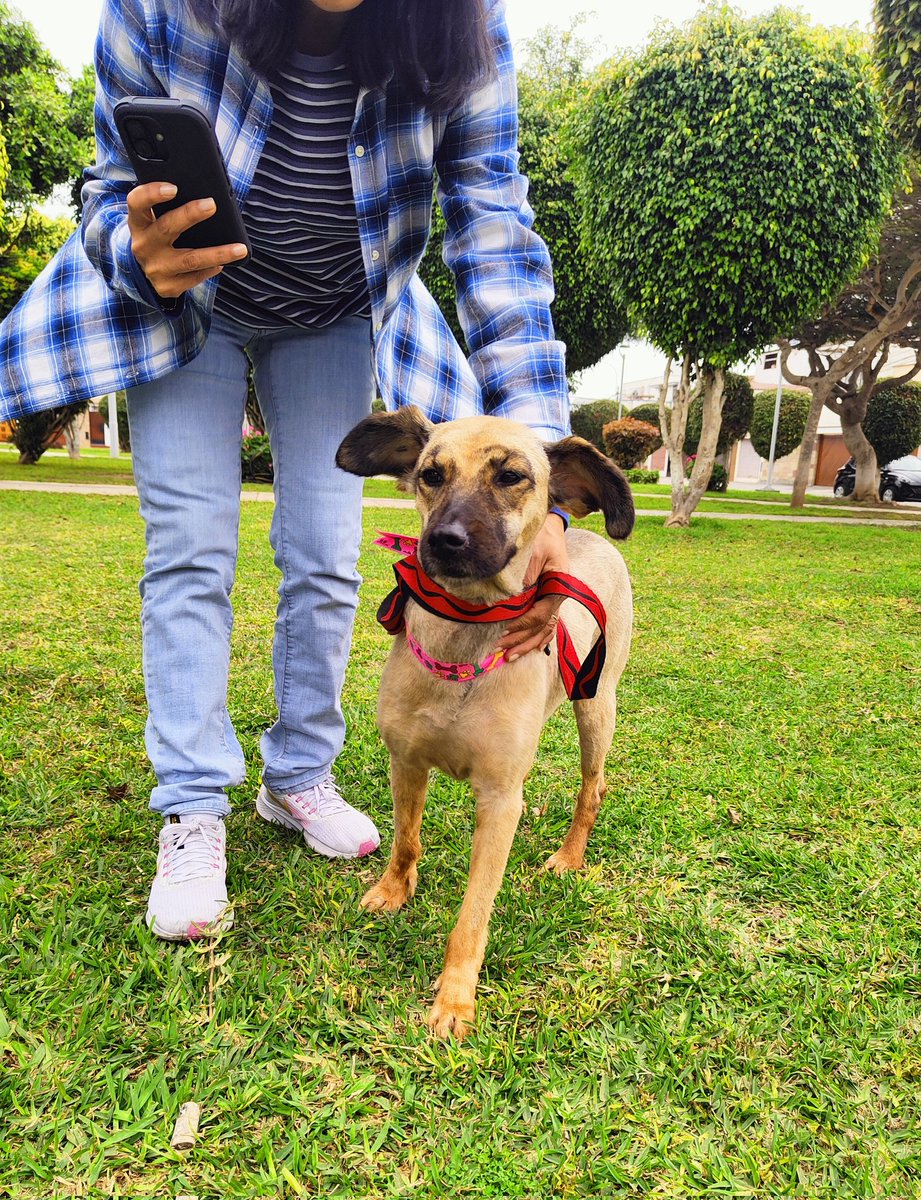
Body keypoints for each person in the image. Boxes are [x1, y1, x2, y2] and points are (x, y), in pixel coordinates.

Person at [0, 0, 571, 940]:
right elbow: (108, 195)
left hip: (338, 317)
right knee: (190, 550)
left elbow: (494, 227)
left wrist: (541, 462)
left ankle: (297, 777)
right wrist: (136, 256)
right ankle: (191, 806)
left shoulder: (463, 26)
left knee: (323, 553)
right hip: (190, 310)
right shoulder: (157, 7)